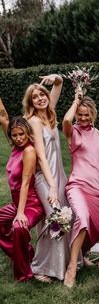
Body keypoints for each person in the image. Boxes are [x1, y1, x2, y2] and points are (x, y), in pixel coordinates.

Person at [22, 74, 70, 282]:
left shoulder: (50, 115)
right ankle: (41, 267)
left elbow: (59, 84)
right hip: (45, 177)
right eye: (35, 97)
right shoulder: (33, 121)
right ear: (30, 102)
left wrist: (56, 78)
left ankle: (62, 264)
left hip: (59, 174)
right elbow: (41, 157)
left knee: (65, 219)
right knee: (54, 220)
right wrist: (51, 187)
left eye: (42, 94)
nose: (41, 98)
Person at [62, 88, 99, 288]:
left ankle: (81, 255)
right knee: (82, 219)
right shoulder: (73, 132)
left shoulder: (96, 133)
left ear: (93, 114)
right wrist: (76, 100)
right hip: (77, 184)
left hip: (96, 186)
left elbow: (96, 161)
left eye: (87, 114)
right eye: (80, 114)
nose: (83, 118)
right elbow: (66, 121)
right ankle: (72, 268)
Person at [0, 116, 44, 281]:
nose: (18, 138)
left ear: (28, 133)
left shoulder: (29, 151)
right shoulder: (16, 148)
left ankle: (24, 274)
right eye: (14, 135)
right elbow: (3, 115)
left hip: (31, 205)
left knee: (19, 228)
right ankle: (23, 252)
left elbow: (25, 183)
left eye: (21, 134)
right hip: (17, 202)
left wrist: (20, 213)